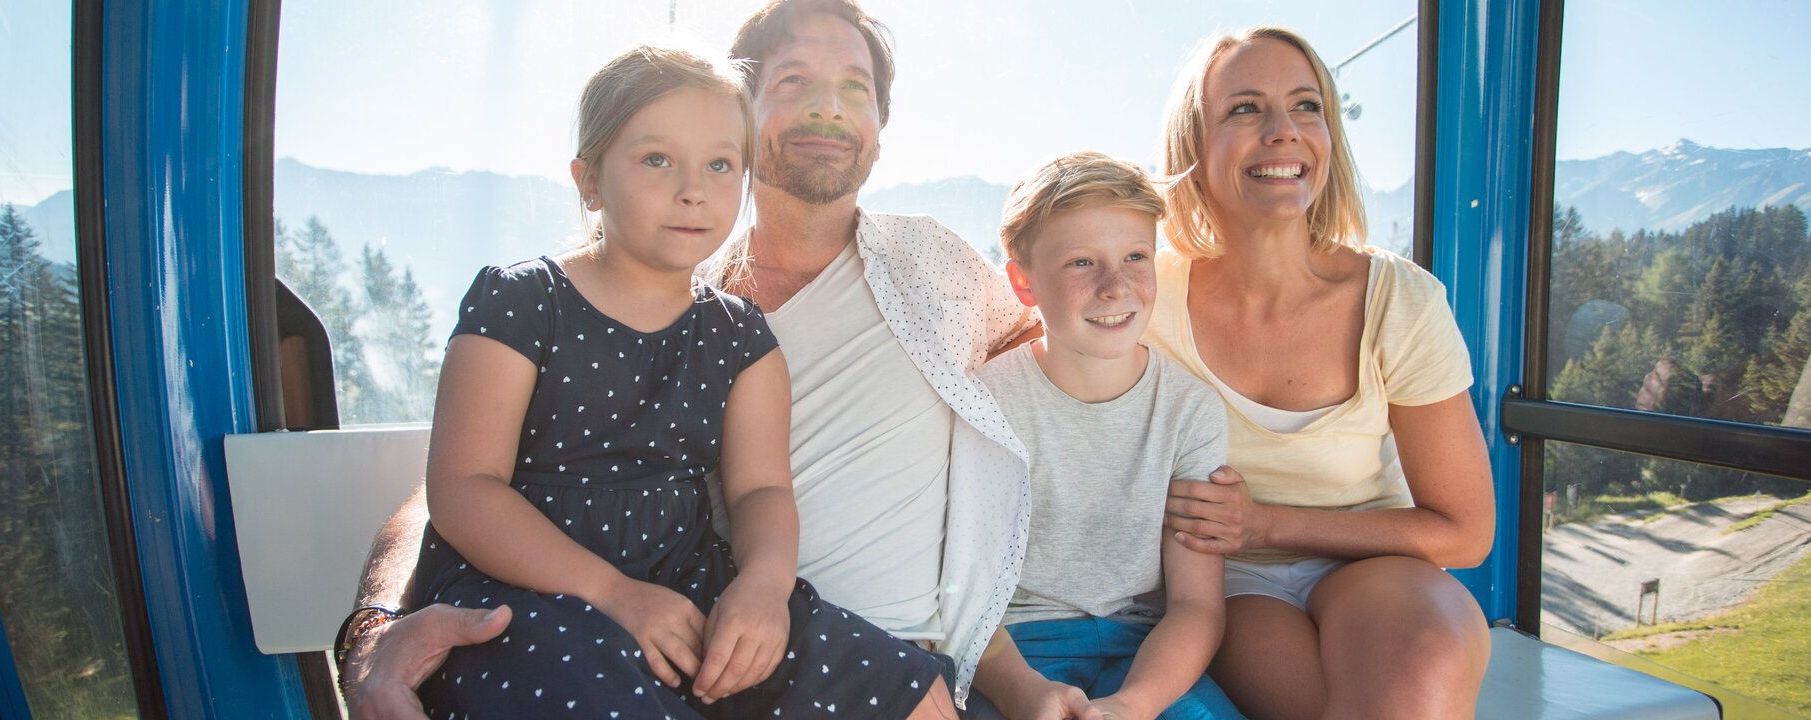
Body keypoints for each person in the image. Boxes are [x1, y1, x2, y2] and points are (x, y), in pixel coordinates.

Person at [339, 2, 1040, 718]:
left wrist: (766, 586)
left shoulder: (909, 277)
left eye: (855, 88)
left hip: (771, 617)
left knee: (910, 692)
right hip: (584, 607)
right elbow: (459, 486)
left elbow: (1044, 366)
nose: (691, 188)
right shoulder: (562, 297)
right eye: (795, 81)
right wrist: (375, 631)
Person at [1147, 27, 1496, 719]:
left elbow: (1464, 531)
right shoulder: (1143, 299)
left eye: (1307, 106)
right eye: (1245, 109)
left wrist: (1266, 523)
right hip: (1230, 581)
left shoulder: (1400, 299)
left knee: (1423, 666)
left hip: (1374, 564)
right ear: (1194, 143)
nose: (1283, 131)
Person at [967, 151, 1242, 720]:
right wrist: (1020, 689)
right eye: (1081, 263)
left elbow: (1195, 606)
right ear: (1023, 281)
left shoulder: (1190, 411)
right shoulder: (982, 404)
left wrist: (1130, 707)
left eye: (1135, 256)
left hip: (1143, 654)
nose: (1116, 287)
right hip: (1009, 653)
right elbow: (959, 592)